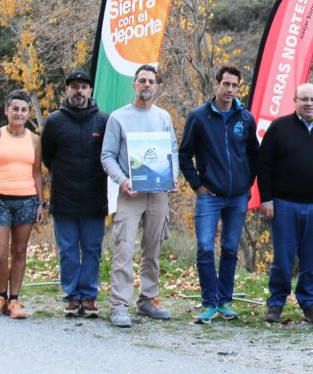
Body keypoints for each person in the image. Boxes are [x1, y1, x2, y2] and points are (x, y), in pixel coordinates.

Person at [256, 82, 313, 324]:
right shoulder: (279, 128)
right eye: (304, 99)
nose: (309, 104)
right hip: (284, 205)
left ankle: (309, 304)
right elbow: (263, 166)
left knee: (311, 261)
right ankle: (276, 304)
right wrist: (266, 199)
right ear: (295, 101)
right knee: (283, 261)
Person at [179, 66, 259, 324]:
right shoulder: (199, 117)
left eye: (234, 86)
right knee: (204, 248)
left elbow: (254, 155)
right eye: (225, 84)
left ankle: (225, 301)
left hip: (237, 197)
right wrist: (198, 185)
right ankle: (208, 303)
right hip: (209, 196)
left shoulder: (245, 118)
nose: (229, 90)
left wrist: (247, 184)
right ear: (216, 84)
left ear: (239, 88)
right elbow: (184, 155)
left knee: (229, 248)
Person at [101, 64, 178, 328]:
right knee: (124, 247)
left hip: (158, 192)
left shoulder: (163, 117)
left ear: (156, 86)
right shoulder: (119, 118)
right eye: (142, 80)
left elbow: (172, 150)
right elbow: (107, 156)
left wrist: (173, 176)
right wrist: (122, 180)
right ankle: (119, 305)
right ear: (134, 85)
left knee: (153, 247)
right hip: (130, 192)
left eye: (151, 81)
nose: (147, 85)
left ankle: (148, 300)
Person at [41, 70, 109, 318]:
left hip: (94, 197)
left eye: (83, 87)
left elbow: (109, 156)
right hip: (64, 198)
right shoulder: (54, 121)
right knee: (68, 250)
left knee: (92, 249)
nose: (79, 91)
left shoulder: (103, 120)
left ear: (90, 91)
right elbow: (47, 157)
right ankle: (71, 296)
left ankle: (89, 297)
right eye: (74, 87)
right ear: (67, 90)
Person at [0, 89, 45, 319]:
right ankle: (1, 297)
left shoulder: (35, 140)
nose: (19, 113)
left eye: (24, 109)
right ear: (6, 111)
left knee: (19, 251)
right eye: (14, 109)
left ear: (28, 113)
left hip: (26, 200)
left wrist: (40, 203)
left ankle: (15, 300)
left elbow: (37, 174)